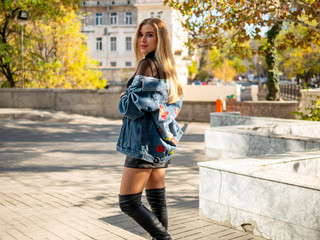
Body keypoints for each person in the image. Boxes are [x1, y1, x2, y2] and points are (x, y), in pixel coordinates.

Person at [117, 18, 183, 240]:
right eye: (140, 34)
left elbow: (133, 109)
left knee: (128, 202)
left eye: (149, 35)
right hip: (162, 143)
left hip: (143, 144)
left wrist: (124, 97)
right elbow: (175, 108)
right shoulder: (168, 69)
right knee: (157, 201)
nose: (142, 40)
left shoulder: (147, 65)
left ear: (160, 39)